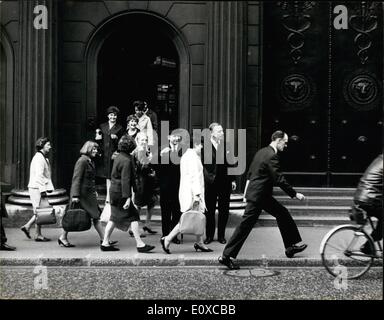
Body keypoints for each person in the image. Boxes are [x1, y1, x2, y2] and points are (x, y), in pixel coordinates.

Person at [219, 130, 307, 270]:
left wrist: (246, 192)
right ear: (278, 141)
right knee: (245, 226)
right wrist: (295, 194)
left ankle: (290, 247)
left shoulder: (261, 152)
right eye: (285, 143)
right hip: (258, 196)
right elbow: (279, 178)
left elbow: (250, 172)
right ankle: (226, 256)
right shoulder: (272, 156)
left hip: (261, 195)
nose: (286, 146)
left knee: (282, 213)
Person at [58, 141, 117, 248]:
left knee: (95, 216)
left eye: (96, 149)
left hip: (88, 195)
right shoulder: (82, 161)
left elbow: (89, 179)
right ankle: (63, 237)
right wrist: (75, 195)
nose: (95, 151)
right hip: (81, 196)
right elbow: (76, 178)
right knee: (71, 216)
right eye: (93, 149)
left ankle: (104, 239)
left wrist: (94, 190)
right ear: (88, 149)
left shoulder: (89, 161)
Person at [101, 135, 155, 253]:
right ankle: (140, 244)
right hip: (121, 193)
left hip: (115, 191)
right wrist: (128, 198)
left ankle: (105, 242)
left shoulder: (120, 157)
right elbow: (125, 180)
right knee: (134, 216)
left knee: (114, 218)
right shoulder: (126, 160)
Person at [160, 136, 212, 254]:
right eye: (201, 145)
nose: (202, 147)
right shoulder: (192, 157)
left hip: (191, 193)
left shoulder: (188, 155)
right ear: (196, 145)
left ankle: (200, 243)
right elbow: (194, 177)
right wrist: (197, 195)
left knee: (197, 217)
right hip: (192, 194)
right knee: (187, 219)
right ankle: (167, 239)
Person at [202, 122, 236, 245]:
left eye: (222, 131)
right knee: (209, 210)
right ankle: (209, 235)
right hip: (210, 183)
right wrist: (205, 180)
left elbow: (232, 163)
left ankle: (221, 235)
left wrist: (233, 179)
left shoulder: (227, 146)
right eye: (219, 131)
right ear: (211, 133)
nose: (222, 133)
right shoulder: (204, 146)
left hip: (225, 182)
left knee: (224, 210)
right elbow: (202, 166)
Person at [21, 137, 54, 242]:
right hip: (36, 188)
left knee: (39, 211)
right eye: (48, 145)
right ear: (42, 145)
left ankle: (32, 230)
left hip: (36, 187)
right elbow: (39, 176)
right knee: (39, 211)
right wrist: (43, 190)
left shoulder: (42, 157)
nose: (50, 147)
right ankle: (34, 231)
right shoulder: (39, 158)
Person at [157, 129, 184, 243]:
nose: (176, 139)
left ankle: (174, 236)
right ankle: (165, 234)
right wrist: (160, 156)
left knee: (176, 211)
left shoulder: (183, 151)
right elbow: (156, 169)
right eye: (173, 136)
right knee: (165, 212)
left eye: (178, 137)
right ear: (168, 138)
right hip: (165, 187)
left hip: (179, 186)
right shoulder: (162, 150)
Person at [353, 154, 383, 255]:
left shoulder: (380, 158)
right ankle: (367, 246)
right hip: (371, 198)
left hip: (361, 196)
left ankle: (369, 246)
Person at [95, 106, 124, 204]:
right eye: (111, 115)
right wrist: (97, 138)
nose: (113, 117)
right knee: (106, 176)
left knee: (112, 176)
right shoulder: (102, 126)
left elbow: (122, 143)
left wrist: (116, 139)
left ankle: (110, 196)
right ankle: (108, 195)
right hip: (104, 155)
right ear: (108, 116)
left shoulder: (120, 128)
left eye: (115, 115)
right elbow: (98, 140)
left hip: (113, 155)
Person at [132, 132, 158, 235]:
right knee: (138, 204)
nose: (144, 142)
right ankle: (133, 228)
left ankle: (147, 224)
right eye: (142, 140)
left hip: (147, 181)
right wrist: (150, 159)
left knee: (152, 202)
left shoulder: (145, 150)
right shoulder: (138, 150)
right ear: (137, 140)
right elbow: (142, 166)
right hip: (140, 181)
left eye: (145, 140)